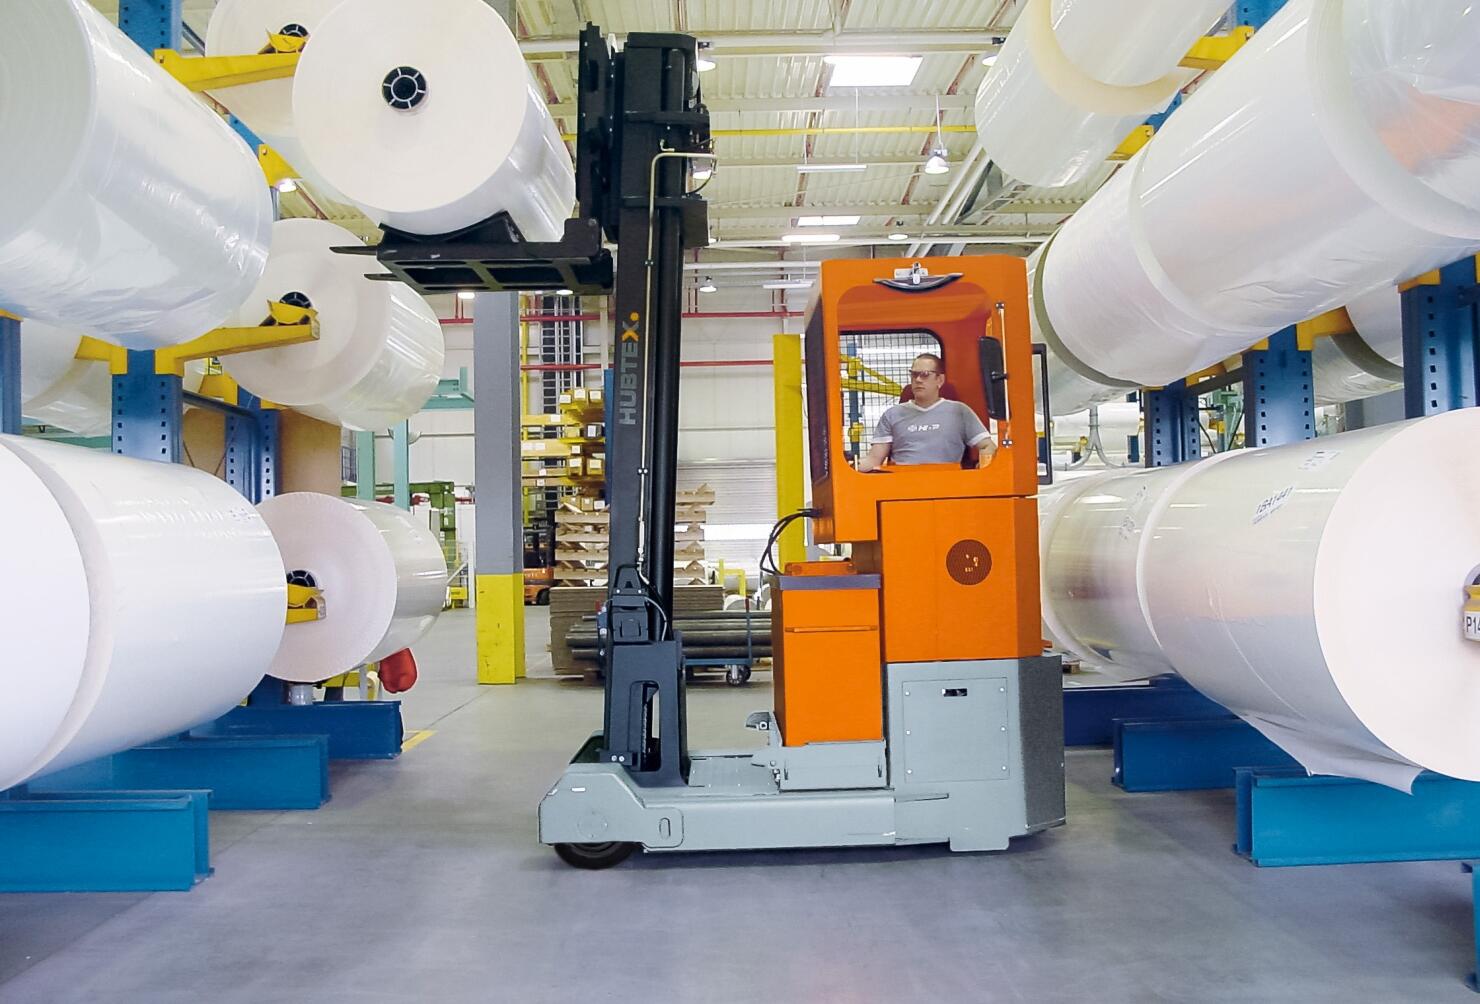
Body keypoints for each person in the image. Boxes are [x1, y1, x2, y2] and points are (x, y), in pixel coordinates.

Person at [857, 353, 996, 471]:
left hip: (951, 486)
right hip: (901, 488)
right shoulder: (892, 414)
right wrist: (851, 466)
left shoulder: (960, 411)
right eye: (914, 375)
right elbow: (874, 459)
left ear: (940, 380)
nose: (918, 380)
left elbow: (987, 445)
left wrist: (983, 469)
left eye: (924, 375)